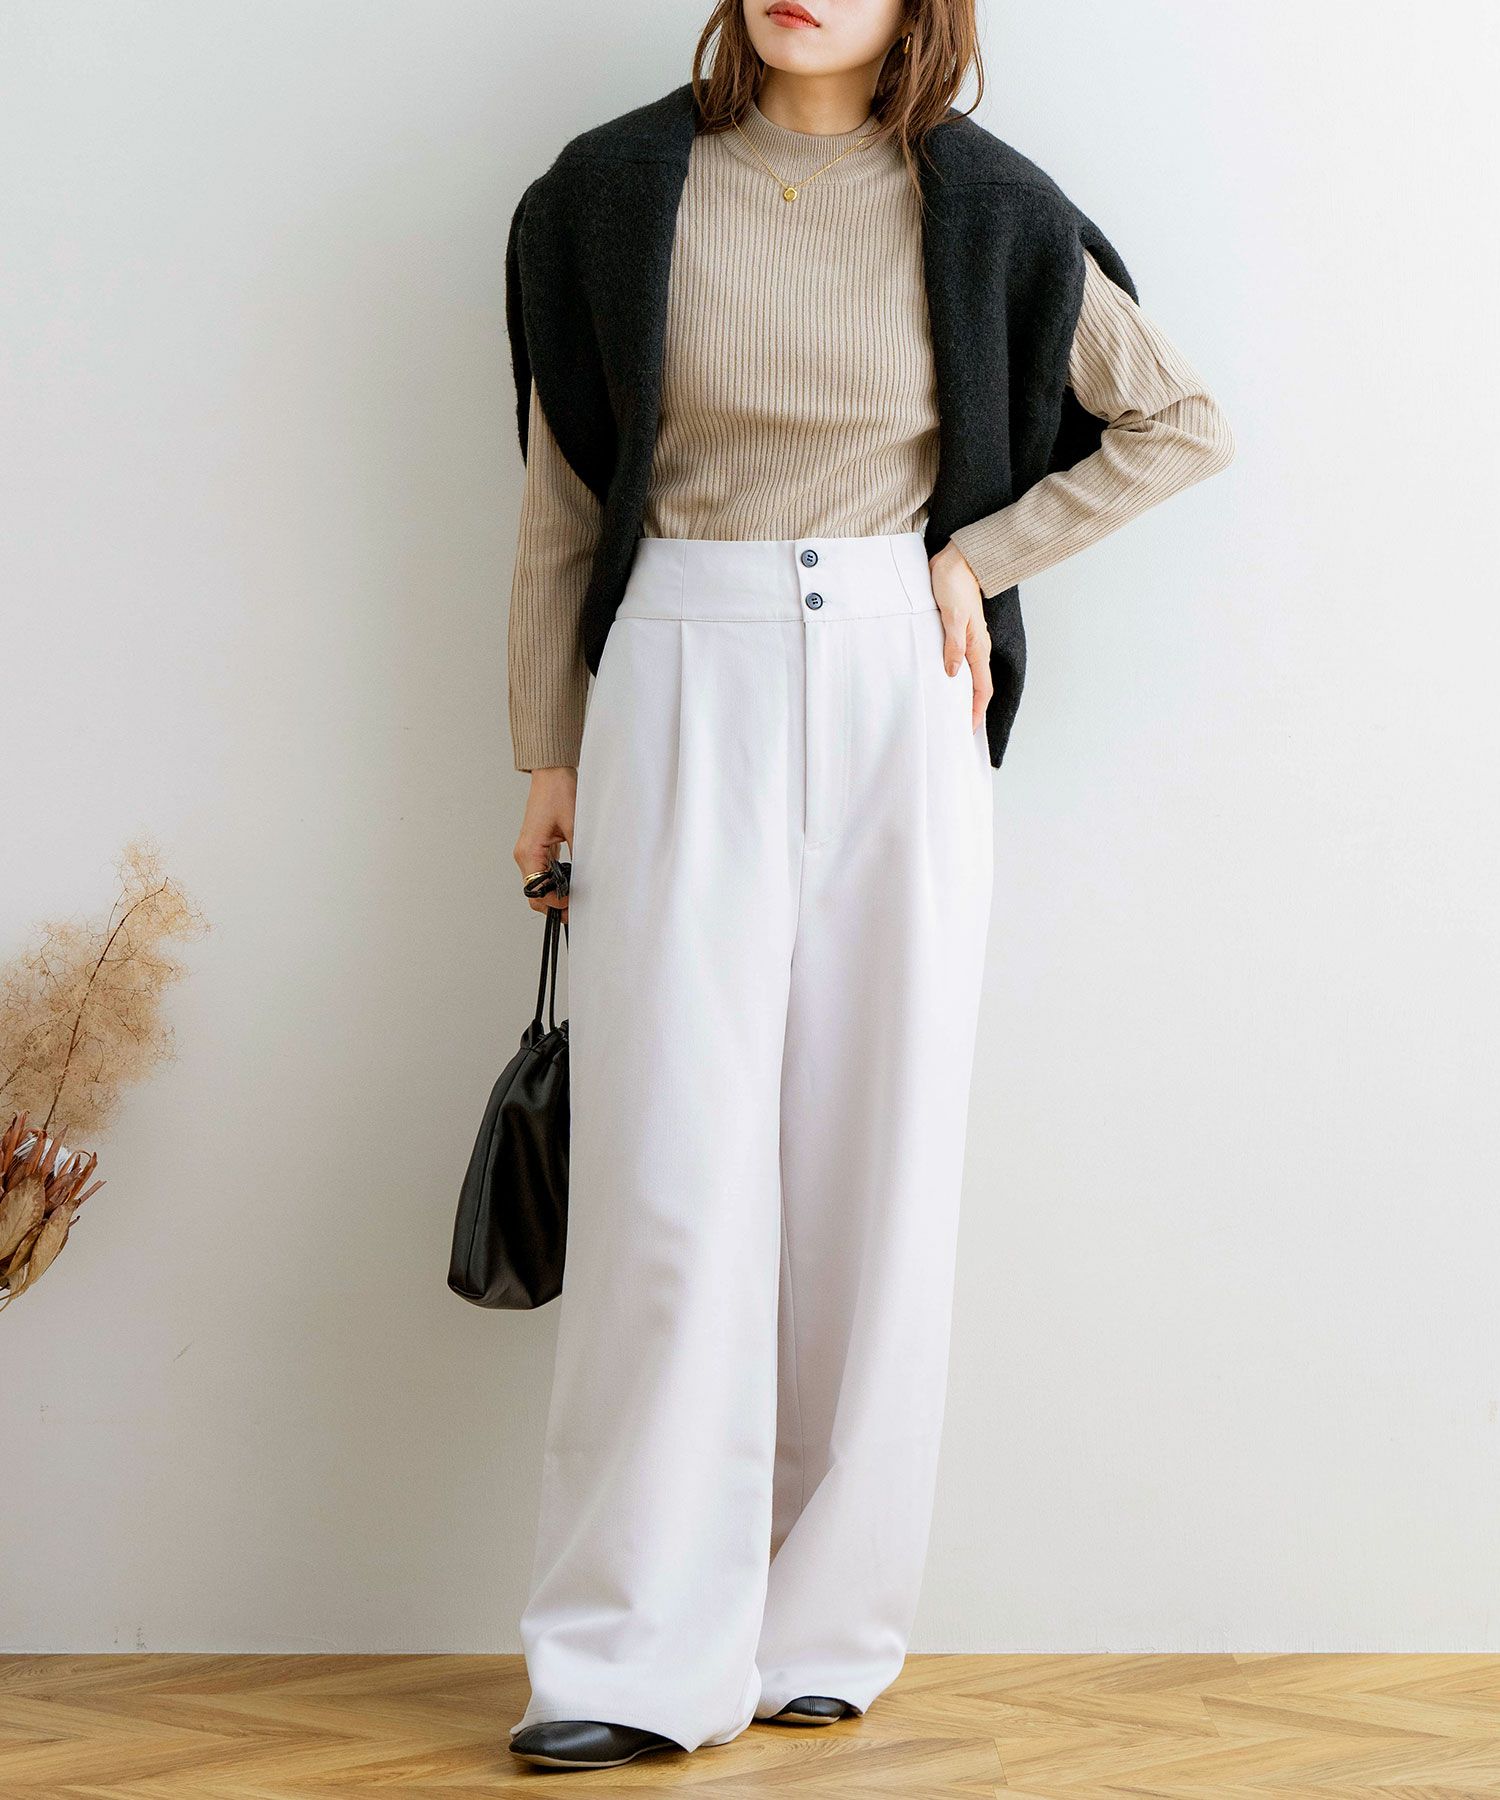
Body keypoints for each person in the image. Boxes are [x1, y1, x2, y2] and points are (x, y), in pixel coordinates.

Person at [501, 0, 1234, 1772]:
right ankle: (625, 1659)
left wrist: (980, 557)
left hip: (904, 683)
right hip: (679, 661)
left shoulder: (985, 203)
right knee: (670, 1184)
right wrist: (547, 754)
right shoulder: (611, 192)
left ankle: (821, 1629)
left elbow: (1179, 420)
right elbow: (561, 503)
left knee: (876, 1163)